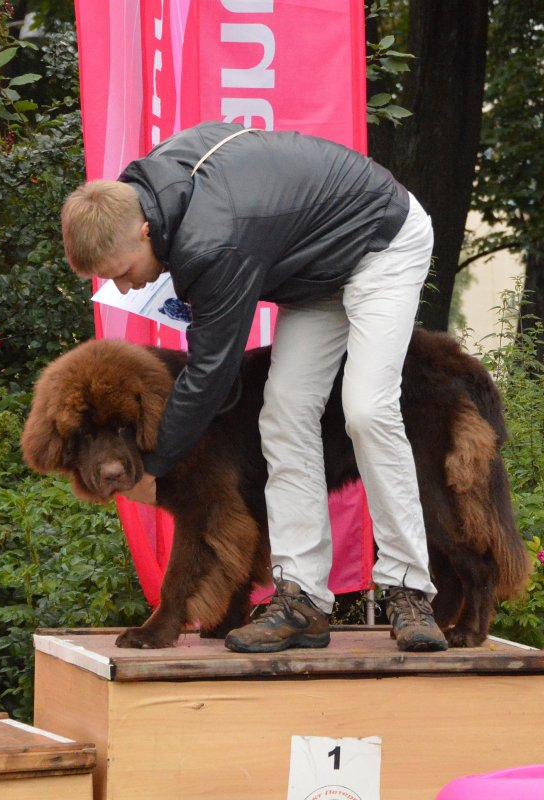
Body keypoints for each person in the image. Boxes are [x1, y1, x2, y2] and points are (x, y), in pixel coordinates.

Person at [61, 121, 447, 653]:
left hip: (381, 240)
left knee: (366, 409)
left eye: (123, 271)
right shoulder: (145, 191)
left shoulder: (209, 243)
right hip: (317, 270)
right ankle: (302, 600)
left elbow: (212, 378)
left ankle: (409, 592)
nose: (126, 287)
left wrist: (153, 467)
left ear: (144, 231)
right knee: (283, 413)